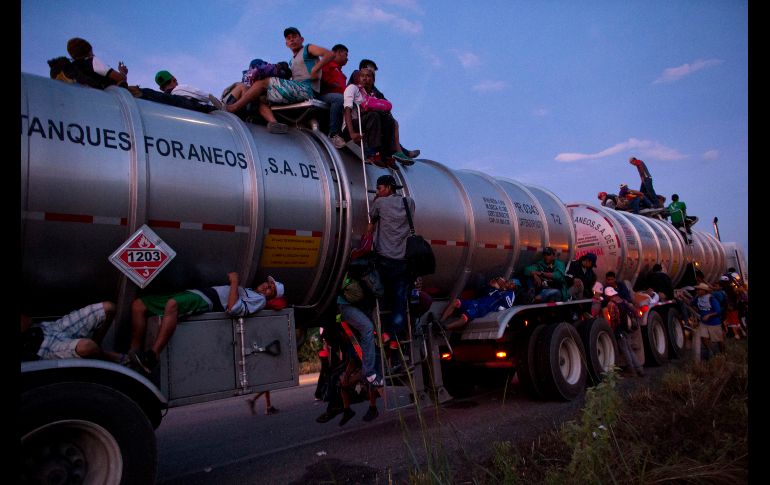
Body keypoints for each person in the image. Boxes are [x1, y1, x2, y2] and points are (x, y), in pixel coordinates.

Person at [129, 272, 284, 374]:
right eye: (267, 284)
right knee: (139, 305)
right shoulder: (251, 291)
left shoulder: (259, 300)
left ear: (271, 297)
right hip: (197, 293)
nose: (266, 287)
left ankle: (152, 356)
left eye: (271, 289)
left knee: (172, 305)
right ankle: (133, 355)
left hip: (206, 299)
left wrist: (235, 282)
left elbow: (233, 308)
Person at [225, 27, 334, 134]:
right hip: (296, 90)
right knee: (259, 96)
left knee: (262, 84)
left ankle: (234, 107)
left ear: (302, 39)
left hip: (307, 89)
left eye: (294, 37)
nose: (291, 39)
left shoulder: (307, 49)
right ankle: (274, 123)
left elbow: (329, 54)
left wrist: (316, 69)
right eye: (288, 38)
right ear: (286, 44)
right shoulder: (292, 61)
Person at [367, 174, 414, 343]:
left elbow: (371, 221)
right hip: (402, 261)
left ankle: (383, 333)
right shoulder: (408, 202)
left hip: (384, 259)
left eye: (379, 189)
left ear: (388, 187)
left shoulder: (379, 203)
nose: (378, 192)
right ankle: (393, 334)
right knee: (400, 302)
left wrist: (375, 200)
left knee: (381, 297)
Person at [342, 68, 413, 167]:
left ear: (373, 80)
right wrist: (352, 133)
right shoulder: (353, 88)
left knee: (389, 119)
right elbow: (347, 109)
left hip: (366, 126)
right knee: (374, 116)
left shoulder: (371, 96)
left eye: (368, 76)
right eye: (362, 76)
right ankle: (372, 153)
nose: (365, 78)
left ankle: (390, 154)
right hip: (351, 128)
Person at [20, 302, 124, 363]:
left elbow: (29, 321)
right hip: (42, 349)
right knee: (87, 346)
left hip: (47, 328)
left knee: (109, 308)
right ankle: (107, 356)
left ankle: (96, 350)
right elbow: (25, 322)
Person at [358, 59, 420, 160]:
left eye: (373, 72)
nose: (372, 73)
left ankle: (399, 151)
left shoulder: (374, 89)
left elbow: (384, 102)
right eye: (371, 70)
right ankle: (397, 151)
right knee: (380, 118)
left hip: (375, 113)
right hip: (365, 114)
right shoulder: (357, 82)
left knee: (392, 121)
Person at [440, 277, 518, 331]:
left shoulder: (510, 294)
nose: (509, 283)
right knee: (456, 302)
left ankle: (445, 327)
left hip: (482, 308)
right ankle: (441, 321)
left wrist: (500, 291)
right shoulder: (498, 290)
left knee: (464, 318)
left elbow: (509, 304)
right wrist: (491, 285)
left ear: (514, 287)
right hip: (476, 302)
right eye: (510, 281)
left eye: (512, 283)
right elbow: (486, 292)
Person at [603, 287, 644, 377]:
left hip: (619, 330)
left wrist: (614, 331)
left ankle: (632, 371)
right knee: (630, 349)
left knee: (625, 350)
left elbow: (614, 320)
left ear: (608, 295)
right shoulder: (622, 300)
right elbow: (633, 310)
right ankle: (639, 369)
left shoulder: (611, 304)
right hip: (627, 328)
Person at [319, 44, 349, 148]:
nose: (347, 58)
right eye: (346, 55)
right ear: (338, 53)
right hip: (324, 96)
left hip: (338, 99)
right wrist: (332, 84)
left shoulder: (341, 73)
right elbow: (320, 80)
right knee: (339, 98)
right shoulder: (326, 64)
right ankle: (333, 134)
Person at [154, 70, 223, 109]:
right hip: (215, 113)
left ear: (161, 89)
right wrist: (224, 108)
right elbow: (208, 97)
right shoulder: (178, 89)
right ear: (174, 79)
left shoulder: (165, 103)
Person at [691, 282, 724, 358]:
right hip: (704, 322)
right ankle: (710, 351)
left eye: (699, 290)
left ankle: (722, 353)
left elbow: (718, 311)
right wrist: (682, 298)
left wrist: (709, 315)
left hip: (714, 322)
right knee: (703, 337)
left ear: (704, 291)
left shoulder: (711, 299)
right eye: (697, 290)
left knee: (718, 339)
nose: (697, 291)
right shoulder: (697, 298)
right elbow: (691, 304)